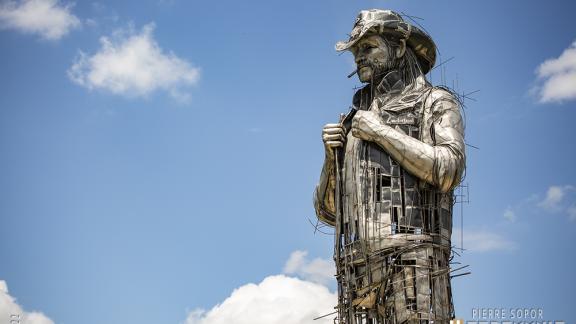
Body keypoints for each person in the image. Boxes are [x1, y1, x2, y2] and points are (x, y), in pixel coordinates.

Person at [313, 9, 466, 323]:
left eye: (368, 47)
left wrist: (381, 133)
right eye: (356, 51)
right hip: (356, 270)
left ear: (398, 48)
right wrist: (332, 159)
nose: (359, 57)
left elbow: (449, 168)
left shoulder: (434, 102)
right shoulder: (354, 120)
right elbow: (329, 212)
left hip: (414, 262)